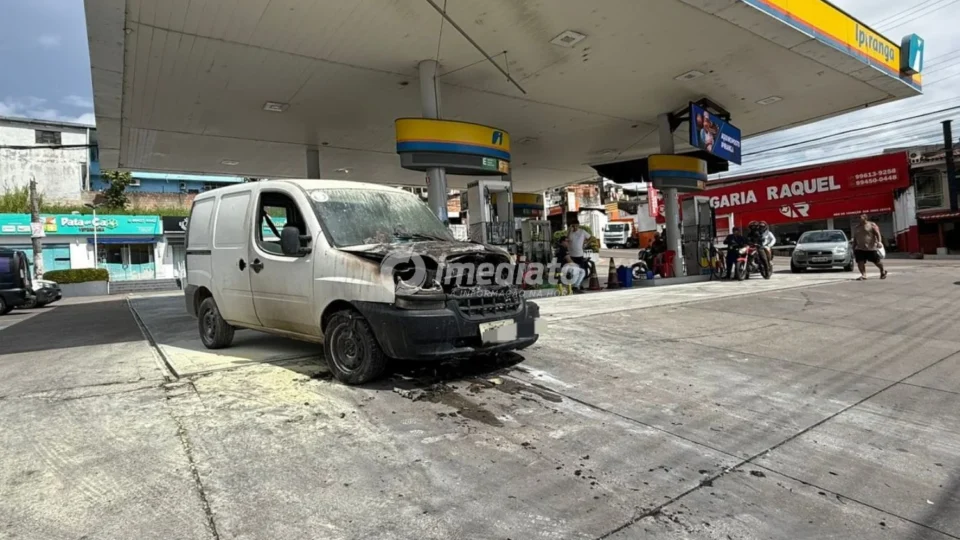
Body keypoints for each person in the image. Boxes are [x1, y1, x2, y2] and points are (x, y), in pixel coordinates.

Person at [852, 214, 887, 280]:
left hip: (871, 247)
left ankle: (882, 271)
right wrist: (853, 247)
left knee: (877, 261)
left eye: (860, 217)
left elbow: (878, 234)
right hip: (860, 248)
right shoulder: (857, 227)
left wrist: (879, 242)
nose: (858, 218)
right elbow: (855, 238)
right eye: (858, 217)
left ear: (865, 218)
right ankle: (863, 275)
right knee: (860, 261)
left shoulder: (872, 225)